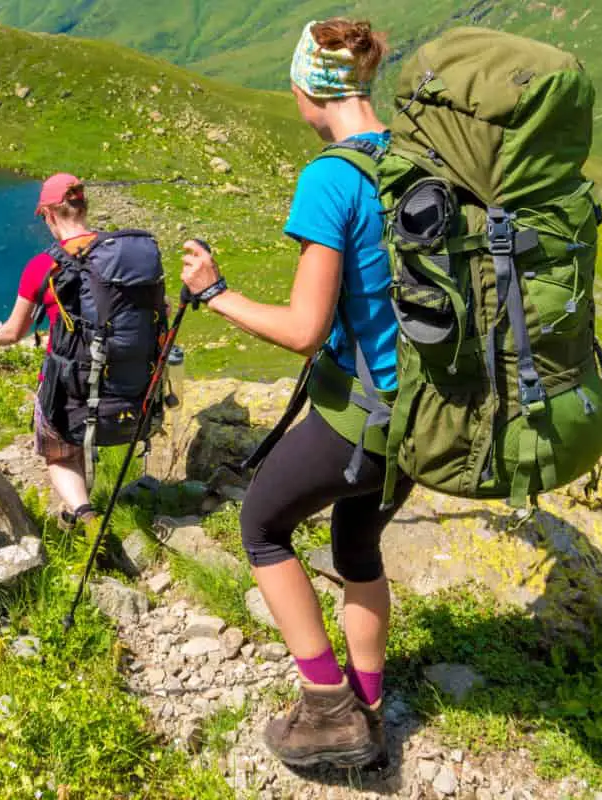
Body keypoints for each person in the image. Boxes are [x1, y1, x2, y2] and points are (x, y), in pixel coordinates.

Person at [180, 18, 413, 769]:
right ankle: (372, 711)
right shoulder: (416, 158)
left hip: (362, 415)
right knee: (356, 545)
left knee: (262, 526)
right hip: (425, 412)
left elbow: (304, 329)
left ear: (311, 88)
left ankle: (328, 708)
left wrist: (214, 292)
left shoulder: (332, 177)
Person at [0, 173, 100, 529]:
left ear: (49, 214)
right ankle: (86, 500)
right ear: (84, 207)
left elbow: (15, 332)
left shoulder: (42, 266)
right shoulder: (118, 253)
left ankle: (85, 514)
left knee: (58, 452)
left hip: (69, 385)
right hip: (123, 381)